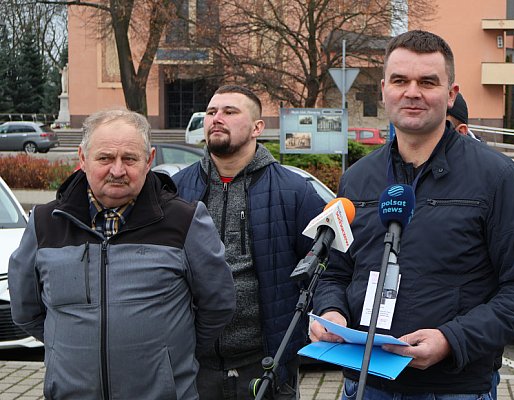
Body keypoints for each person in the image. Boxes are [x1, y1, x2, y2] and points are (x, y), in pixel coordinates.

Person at [310, 30, 514, 398]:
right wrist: (330, 312)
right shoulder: (359, 178)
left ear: (450, 94)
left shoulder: (496, 177)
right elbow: (337, 271)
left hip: (454, 388)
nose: (412, 92)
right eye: (400, 80)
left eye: (427, 81)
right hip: (363, 384)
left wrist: (451, 339)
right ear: (383, 89)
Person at [9, 109, 236, 399]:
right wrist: (65, 347)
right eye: (105, 158)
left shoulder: (185, 221)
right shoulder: (44, 223)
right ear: (82, 159)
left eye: (129, 158)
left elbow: (218, 304)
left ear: (149, 160)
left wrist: (167, 355)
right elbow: (26, 309)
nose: (117, 170)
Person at [172, 85, 326, 400]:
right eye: (212, 112)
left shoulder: (294, 192)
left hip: (267, 364)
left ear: (258, 127)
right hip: (192, 366)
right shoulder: (175, 190)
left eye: (230, 112)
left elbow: (325, 269)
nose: (217, 118)